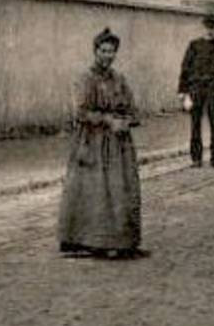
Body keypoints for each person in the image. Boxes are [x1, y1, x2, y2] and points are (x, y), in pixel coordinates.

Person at [58, 27, 147, 259]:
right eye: (104, 50)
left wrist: (127, 121)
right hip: (92, 142)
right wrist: (107, 120)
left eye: (112, 51)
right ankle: (89, 240)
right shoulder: (85, 79)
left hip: (120, 147)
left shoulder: (120, 79)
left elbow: (134, 109)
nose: (108, 55)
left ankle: (123, 241)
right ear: (96, 51)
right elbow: (81, 112)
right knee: (95, 191)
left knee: (121, 191)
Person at [177, 13, 214, 168]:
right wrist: (182, 92)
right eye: (207, 26)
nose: (209, 30)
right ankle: (196, 159)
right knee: (195, 124)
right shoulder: (194, 45)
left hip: (213, 89)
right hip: (195, 89)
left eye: (212, 27)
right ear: (202, 27)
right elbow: (185, 68)